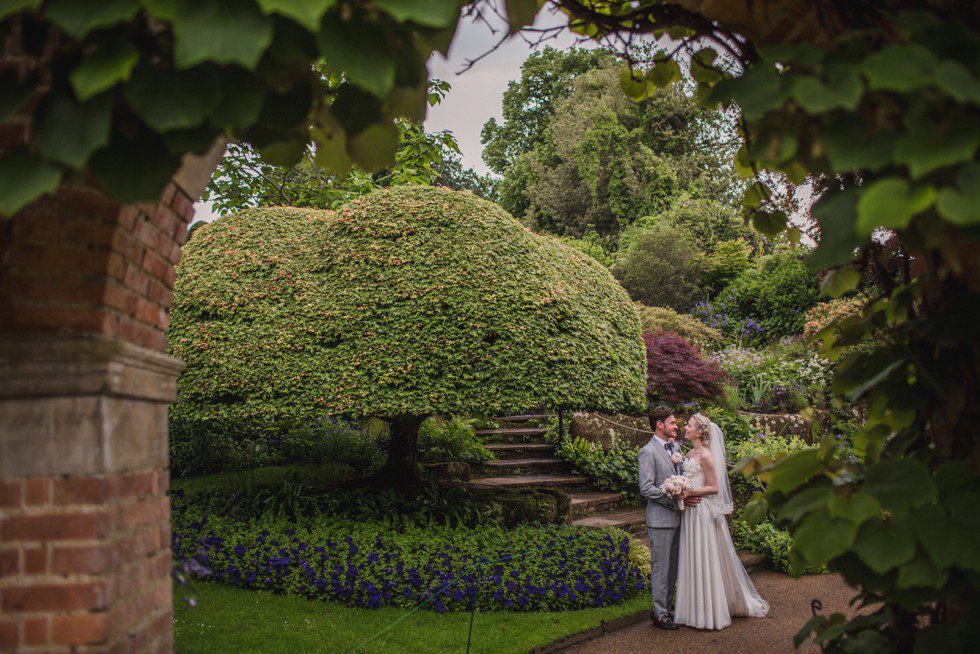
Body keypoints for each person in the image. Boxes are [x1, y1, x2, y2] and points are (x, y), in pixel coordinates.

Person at [674, 412, 769, 630]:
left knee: (704, 556)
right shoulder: (688, 453)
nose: (685, 428)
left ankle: (709, 613)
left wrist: (690, 491)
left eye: (688, 425)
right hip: (689, 513)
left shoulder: (706, 456)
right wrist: (678, 488)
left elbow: (714, 487)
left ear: (699, 432)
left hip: (702, 512)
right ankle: (691, 610)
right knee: (691, 556)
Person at [637, 405, 699, 630]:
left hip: (679, 518)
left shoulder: (675, 448)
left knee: (673, 567)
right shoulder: (648, 451)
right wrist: (672, 496)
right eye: (672, 422)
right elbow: (646, 488)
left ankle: (669, 608)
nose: (677, 426)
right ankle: (659, 614)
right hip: (661, 520)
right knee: (661, 568)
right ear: (659, 424)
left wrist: (685, 492)